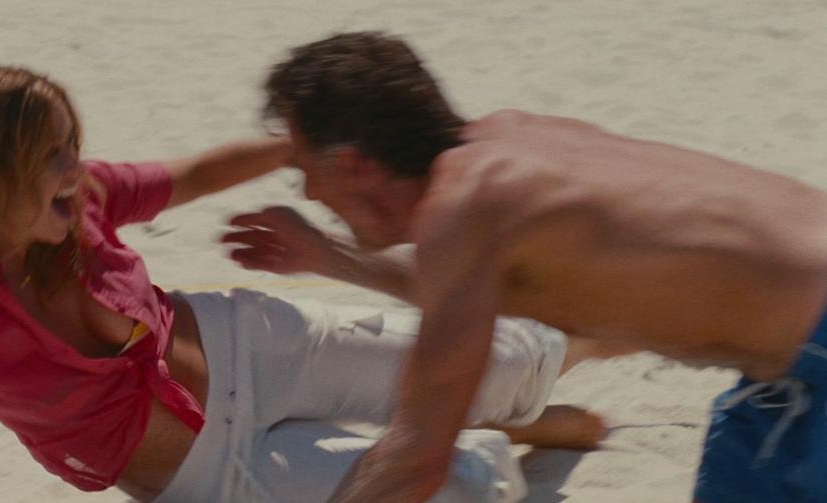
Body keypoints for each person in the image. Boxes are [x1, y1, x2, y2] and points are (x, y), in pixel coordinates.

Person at [0, 64, 610, 503]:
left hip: (258, 348)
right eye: (52, 155)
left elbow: (190, 175)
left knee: (502, 361)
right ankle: (505, 426)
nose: (74, 168)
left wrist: (291, 148)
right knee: (460, 488)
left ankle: (589, 346)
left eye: (71, 147)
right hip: (217, 473)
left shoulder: (84, 199)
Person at [229, 31, 827, 502]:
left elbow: (416, 459)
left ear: (354, 166)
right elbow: (475, 291)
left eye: (304, 168)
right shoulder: (504, 151)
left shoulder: (465, 210)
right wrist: (331, 257)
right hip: (787, 373)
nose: (308, 192)